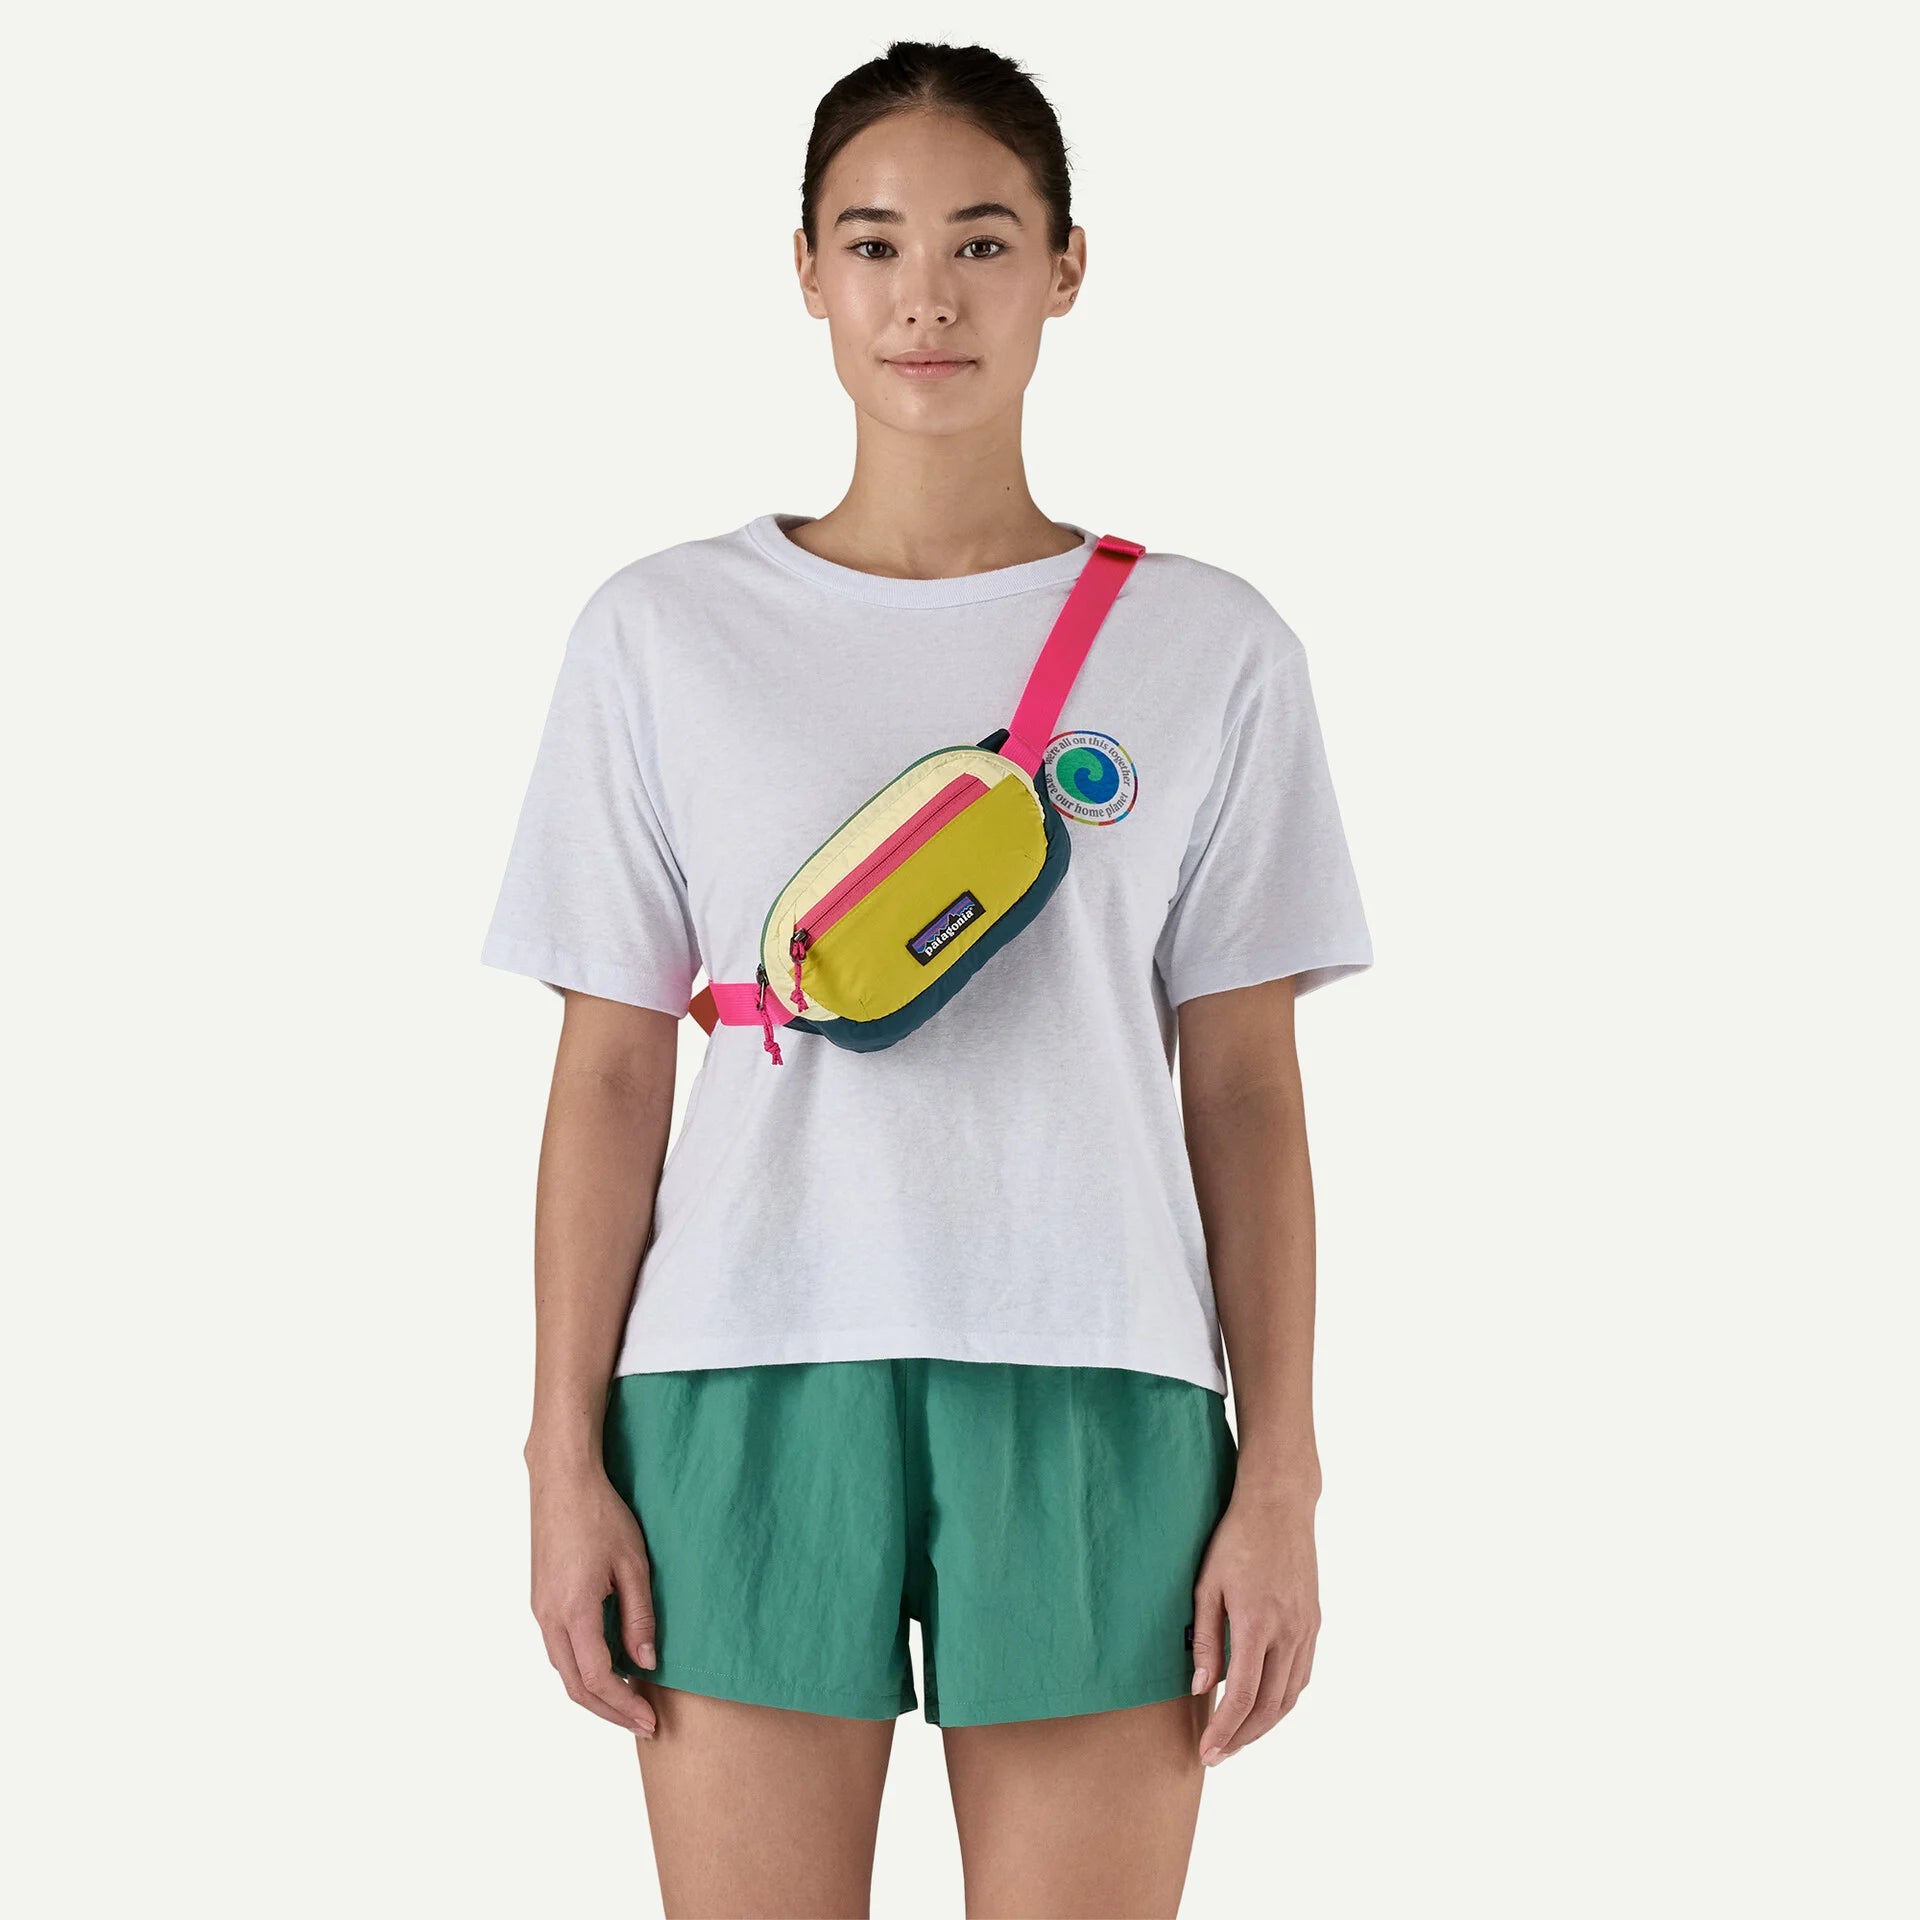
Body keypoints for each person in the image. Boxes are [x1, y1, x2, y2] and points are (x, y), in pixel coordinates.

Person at [482, 39, 1373, 1920]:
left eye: (983, 240)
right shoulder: (662, 632)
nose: (928, 297)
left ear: (1066, 266)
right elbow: (613, 1073)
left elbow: (1243, 1091)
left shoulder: (1212, 646)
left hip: (1102, 1375)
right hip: (737, 1368)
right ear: (806, 271)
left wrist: (1282, 1475)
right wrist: (561, 1455)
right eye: (875, 243)